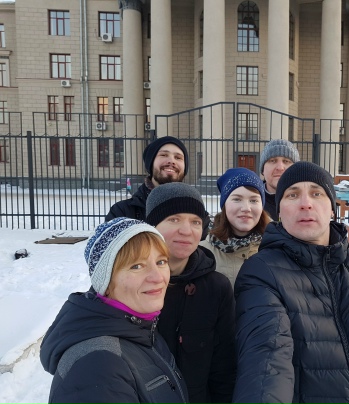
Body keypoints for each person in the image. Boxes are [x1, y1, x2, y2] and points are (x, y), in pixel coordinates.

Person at [233, 162, 349, 404]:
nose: (306, 203)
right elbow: (266, 362)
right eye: (292, 194)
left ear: (332, 209)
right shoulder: (262, 272)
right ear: (279, 211)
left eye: (317, 193)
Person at [40, 217, 189, 404]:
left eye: (161, 262)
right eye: (137, 266)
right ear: (106, 281)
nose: (158, 277)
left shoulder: (139, 328)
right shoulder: (97, 366)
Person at [146, 182, 236, 404]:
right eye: (174, 219)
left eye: (195, 221)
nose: (187, 231)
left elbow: (224, 369)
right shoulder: (131, 285)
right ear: (152, 226)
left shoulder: (216, 288)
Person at [105, 135, 210, 238]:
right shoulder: (122, 213)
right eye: (164, 155)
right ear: (151, 163)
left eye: (178, 157)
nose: (171, 161)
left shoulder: (198, 215)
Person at [200, 167, 271, 285]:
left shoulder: (274, 248)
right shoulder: (202, 253)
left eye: (253, 200)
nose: (246, 208)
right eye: (237, 199)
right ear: (225, 205)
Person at [259, 139, 300, 220]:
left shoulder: (306, 203)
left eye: (286, 161)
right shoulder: (252, 203)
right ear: (263, 170)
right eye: (272, 161)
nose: (280, 168)